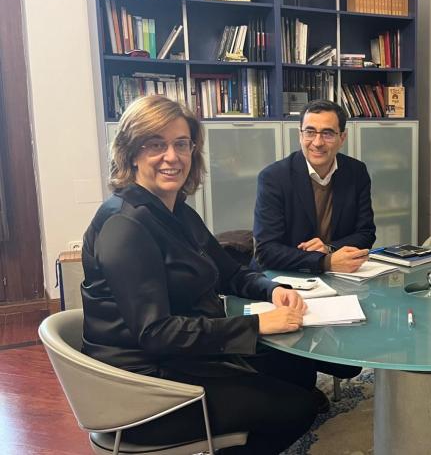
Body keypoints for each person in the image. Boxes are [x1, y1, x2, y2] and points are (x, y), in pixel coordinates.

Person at [80, 96, 318, 454]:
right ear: (131, 152)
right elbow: (155, 333)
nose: (172, 157)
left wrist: (273, 290)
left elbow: (229, 273)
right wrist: (256, 326)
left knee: (298, 368)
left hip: (182, 358)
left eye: (181, 144)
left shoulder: (176, 211)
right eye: (155, 144)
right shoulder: (125, 224)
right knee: (301, 406)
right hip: (145, 388)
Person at [253, 99, 375, 275]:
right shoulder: (274, 177)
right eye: (310, 132)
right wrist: (325, 262)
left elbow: (366, 233)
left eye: (328, 134)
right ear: (300, 135)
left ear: (342, 137)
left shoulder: (356, 171)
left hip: (339, 276)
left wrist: (329, 249)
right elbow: (266, 251)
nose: (317, 142)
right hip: (284, 277)